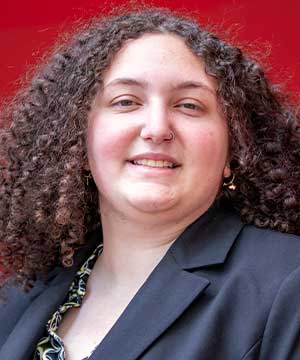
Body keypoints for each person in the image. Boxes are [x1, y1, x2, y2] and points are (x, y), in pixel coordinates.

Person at [0, 6, 300, 360]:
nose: (157, 128)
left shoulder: (288, 283)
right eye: (126, 101)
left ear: (235, 148)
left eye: (189, 105)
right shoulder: (22, 298)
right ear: (77, 142)